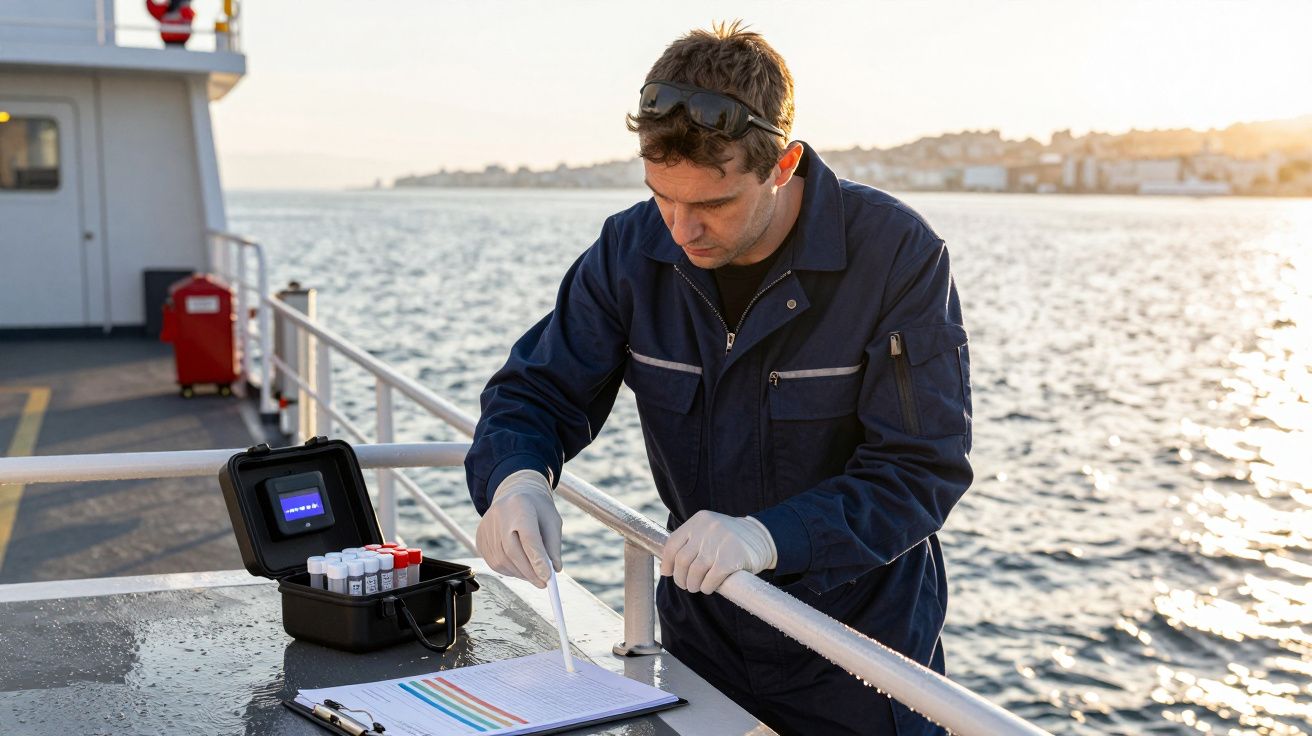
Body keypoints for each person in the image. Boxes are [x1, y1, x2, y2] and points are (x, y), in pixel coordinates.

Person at [465, 21, 972, 736]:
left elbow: (921, 470)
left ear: (784, 163)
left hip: (861, 656)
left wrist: (769, 537)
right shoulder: (629, 250)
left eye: (711, 205)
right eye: (662, 197)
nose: (680, 229)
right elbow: (536, 393)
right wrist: (515, 479)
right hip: (699, 644)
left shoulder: (897, 257)